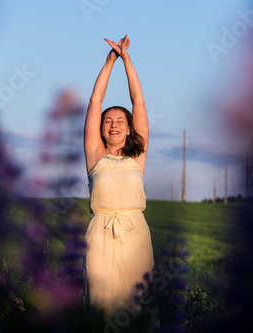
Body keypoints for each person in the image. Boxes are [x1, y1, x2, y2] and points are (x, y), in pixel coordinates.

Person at [83, 35, 154, 315]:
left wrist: (127, 60)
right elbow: (94, 101)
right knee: (100, 307)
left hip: (136, 236)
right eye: (108, 121)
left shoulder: (138, 157)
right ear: (101, 129)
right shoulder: (95, 155)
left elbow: (139, 103)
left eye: (120, 121)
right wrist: (109, 61)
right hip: (99, 237)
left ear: (129, 129)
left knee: (137, 307)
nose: (113, 125)